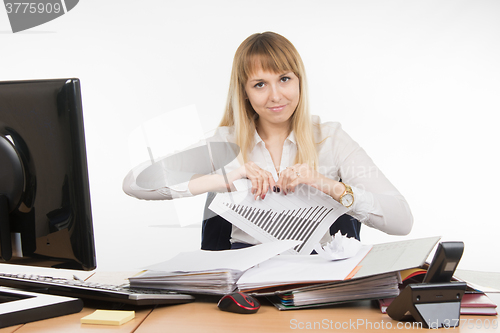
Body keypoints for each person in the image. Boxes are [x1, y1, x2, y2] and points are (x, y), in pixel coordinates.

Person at [123, 31, 413, 249]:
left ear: (299, 80)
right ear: (245, 92)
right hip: (248, 284)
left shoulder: (330, 139)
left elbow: (402, 221)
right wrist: (224, 179)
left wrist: (327, 185)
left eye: (284, 79)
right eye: (260, 84)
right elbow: (135, 182)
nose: (275, 95)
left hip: (320, 283)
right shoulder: (226, 142)